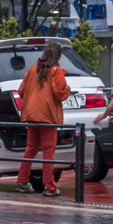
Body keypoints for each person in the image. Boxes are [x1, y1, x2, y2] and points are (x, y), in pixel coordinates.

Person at [15, 42, 70, 197]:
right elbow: (60, 93)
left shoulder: (33, 70)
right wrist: (68, 89)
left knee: (30, 149)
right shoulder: (56, 71)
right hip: (47, 117)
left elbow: (21, 91)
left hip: (32, 115)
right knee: (48, 152)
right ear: (58, 55)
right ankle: (50, 187)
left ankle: (22, 182)